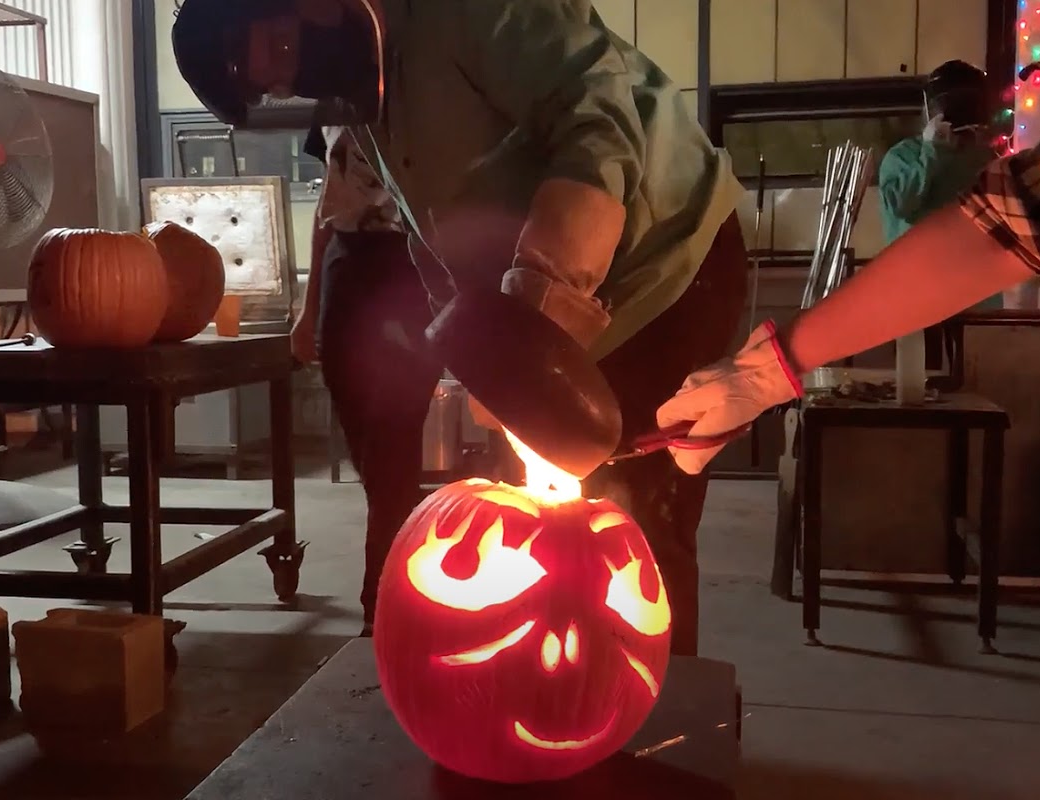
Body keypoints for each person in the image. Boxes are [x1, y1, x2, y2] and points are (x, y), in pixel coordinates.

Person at [172, 0, 750, 656]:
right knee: (543, 514)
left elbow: (596, 111)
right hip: (545, 309)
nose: (293, 79)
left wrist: (543, 291)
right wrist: (486, 354)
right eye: (272, 85)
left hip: (668, 262)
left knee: (636, 519)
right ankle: (552, 691)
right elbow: (434, 233)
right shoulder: (365, 95)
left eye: (279, 49)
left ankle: (654, 718)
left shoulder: (460, 11)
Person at [657, 21, 1040, 475]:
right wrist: (765, 370)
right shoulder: (909, 156)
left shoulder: (985, 156)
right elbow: (1019, 214)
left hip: (980, 310)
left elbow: (1019, 219)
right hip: (913, 306)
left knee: (973, 398)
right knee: (917, 394)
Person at [295, 128, 438, 637]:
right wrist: (308, 308)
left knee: (393, 452)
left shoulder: (425, 93)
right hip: (345, 267)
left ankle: (383, 606)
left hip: (408, 270)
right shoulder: (332, 102)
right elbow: (325, 202)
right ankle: (406, 571)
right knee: (374, 461)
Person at [879, 59, 1003, 313]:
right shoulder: (904, 157)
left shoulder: (983, 158)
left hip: (975, 292)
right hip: (916, 292)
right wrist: (931, 153)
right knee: (921, 352)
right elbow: (900, 206)